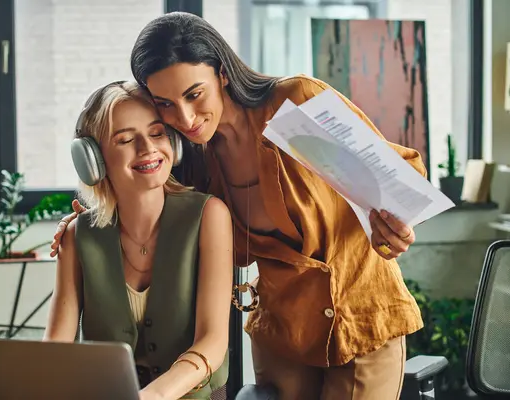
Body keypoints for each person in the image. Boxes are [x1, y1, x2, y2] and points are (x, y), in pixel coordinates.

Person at [51, 12, 427, 400]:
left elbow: (395, 177)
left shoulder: (294, 103)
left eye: (194, 94)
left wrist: (395, 222)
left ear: (222, 73)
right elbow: (155, 206)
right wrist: (89, 223)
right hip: (284, 328)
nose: (185, 118)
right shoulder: (195, 157)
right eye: (165, 103)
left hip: (360, 316)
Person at [43, 80, 233, 400]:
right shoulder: (78, 236)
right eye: (126, 139)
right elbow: (54, 352)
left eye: (157, 133)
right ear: (94, 161)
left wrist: (154, 396)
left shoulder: (208, 216)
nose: (147, 148)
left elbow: (213, 341)